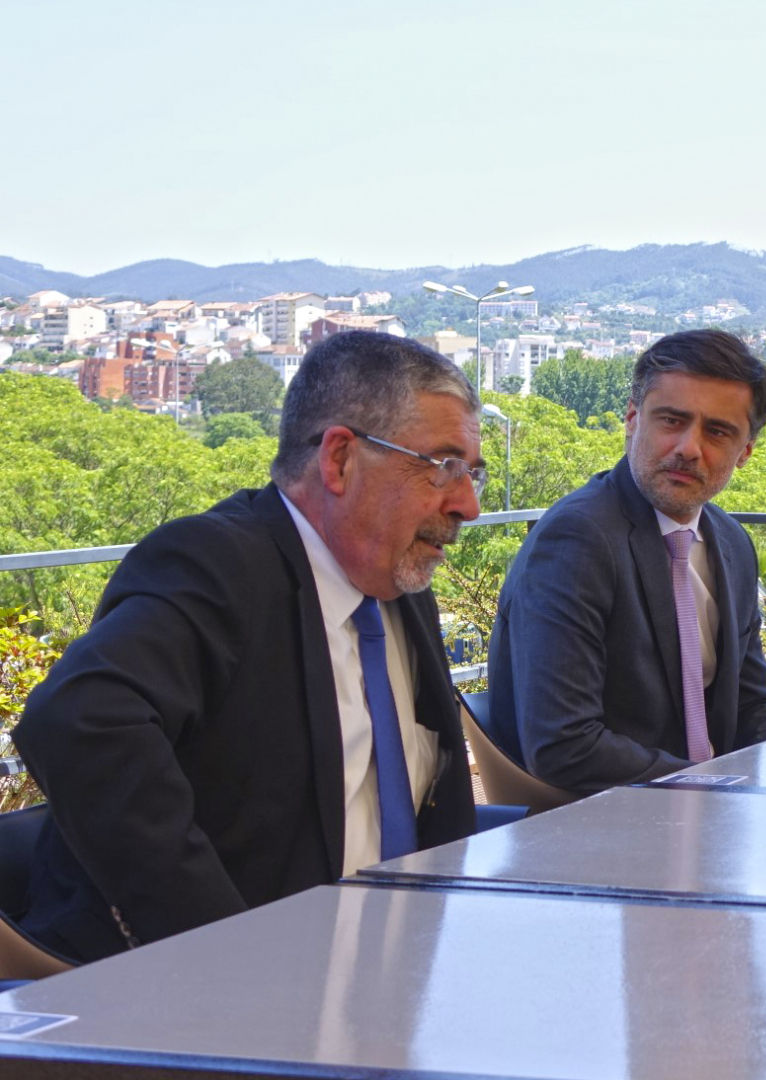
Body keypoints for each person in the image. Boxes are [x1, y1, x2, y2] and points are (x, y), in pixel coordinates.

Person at [9, 330, 484, 963]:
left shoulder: (398, 582)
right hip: (198, 991)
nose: (468, 505)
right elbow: (78, 722)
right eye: (443, 467)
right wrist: (224, 953)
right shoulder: (217, 565)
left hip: (389, 972)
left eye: (473, 473)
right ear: (340, 460)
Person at [489, 328, 766, 792]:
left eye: (717, 432)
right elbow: (564, 744)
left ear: (745, 452)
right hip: (596, 818)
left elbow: (754, 703)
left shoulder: (731, 543)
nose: (688, 448)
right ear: (632, 419)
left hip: (709, 808)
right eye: (671, 420)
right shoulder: (578, 539)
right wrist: (709, 788)